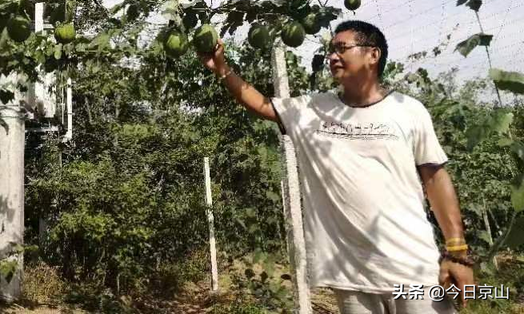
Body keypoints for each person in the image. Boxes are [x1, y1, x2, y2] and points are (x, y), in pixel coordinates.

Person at [198, 20, 474, 314]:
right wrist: (221, 69)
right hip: (349, 274)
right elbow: (263, 105)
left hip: (413, 266)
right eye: (331, 50)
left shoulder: (408, 110)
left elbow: (435, 178)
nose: (332, 56)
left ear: (373, 55)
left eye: (342, 48)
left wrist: (457, 251)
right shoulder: (312, 109)